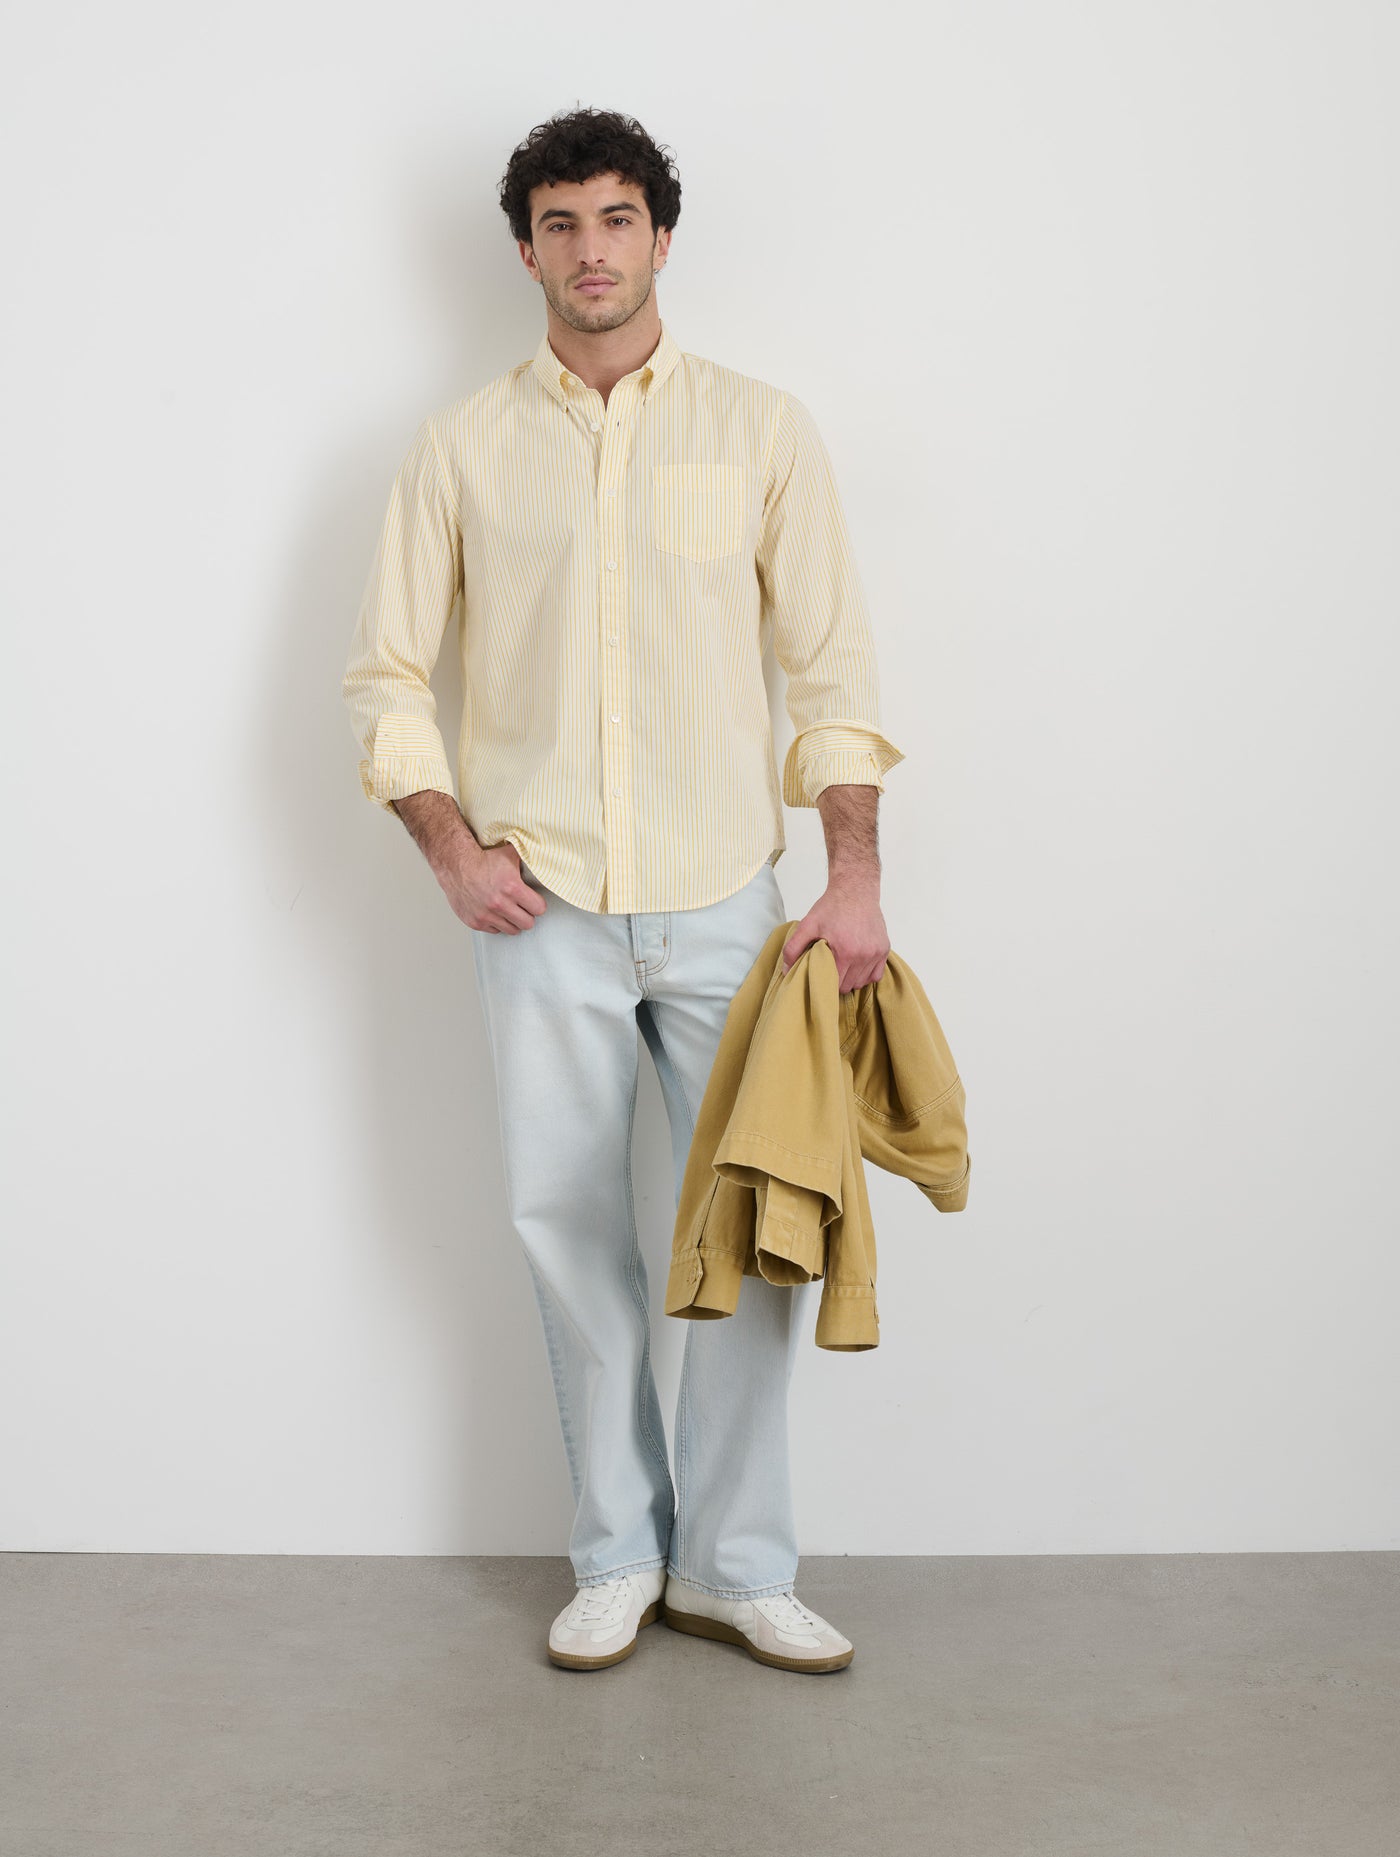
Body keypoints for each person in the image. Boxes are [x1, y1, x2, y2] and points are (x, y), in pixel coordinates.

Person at [341, 107, 904, 1675]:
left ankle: (733, 1565)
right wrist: (450, 846)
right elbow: (386, 672)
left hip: (731, 897)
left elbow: (832, 667)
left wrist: (853, 875)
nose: (591, 248)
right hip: (545, 906)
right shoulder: (461, 446)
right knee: (569, 1233)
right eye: (560, 222)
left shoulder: (762, 430)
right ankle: (616, 1556)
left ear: (661, 236)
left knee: (754, 1227)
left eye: (615, 218)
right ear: (524, 249)